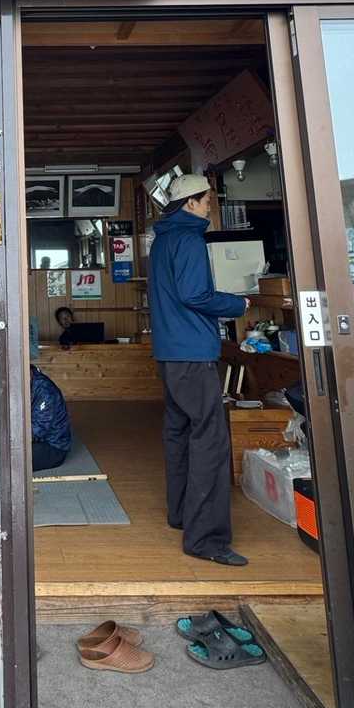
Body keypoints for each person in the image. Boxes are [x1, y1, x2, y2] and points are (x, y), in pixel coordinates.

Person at [148, 175, 251, 567]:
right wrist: (239, 305)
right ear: (190, 202)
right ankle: (205, 539)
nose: (210, 205)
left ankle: (180, 514)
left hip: (171, 353)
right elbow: (195, 295)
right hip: (193, 352)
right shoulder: (189, 239)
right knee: (210, 440)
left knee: (179, 434)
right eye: (207, 199)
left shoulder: (162, 240)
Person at [30, 364, 71, 471]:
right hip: (37, 439)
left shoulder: (46, 392)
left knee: (13, 459)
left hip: (54, 446)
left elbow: (37, 430)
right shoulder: (28, 384)